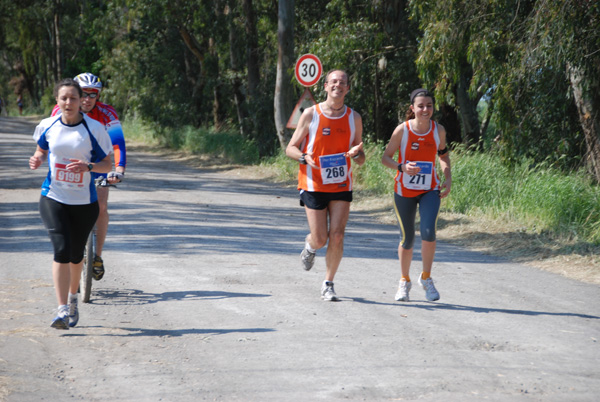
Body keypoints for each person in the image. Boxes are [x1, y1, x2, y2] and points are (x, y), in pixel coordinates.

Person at [29, 78, 113, 329]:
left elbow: (107, 164)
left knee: (77, 257)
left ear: (80, 102)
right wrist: (37, 159)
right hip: (53, 197)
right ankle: (61, 309)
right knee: (61, 251)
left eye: (73, 98)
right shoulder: (48, 125)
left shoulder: (95, 129)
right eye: (64, 98)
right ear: (57, 100)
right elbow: (41, 150)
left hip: (84, 202)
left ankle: (73, 298)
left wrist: (89, 167)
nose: (69, 102)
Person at [285, 69, 365, 301]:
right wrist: (303, 157)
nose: (338, 85)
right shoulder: (311, 114)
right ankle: (310, 247)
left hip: (341, 183)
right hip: (313, 183)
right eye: (334, 81)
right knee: (320, 238)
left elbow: (360, 157)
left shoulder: (354, 118)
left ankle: (328, 283)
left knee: (337, 235)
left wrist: (357, 154)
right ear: (326, 86)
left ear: (347, 88)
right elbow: (290, 147)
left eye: (343, 82)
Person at [51, 72, 127, 282]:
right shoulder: (60, 109)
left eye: (93, 94)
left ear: (98, 96)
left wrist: (119, 169)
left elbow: (118, 143)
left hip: (98, 166)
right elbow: (51, 140)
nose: (87, 99)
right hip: (70, 166)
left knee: (101, 206)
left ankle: (97, 257)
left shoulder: (107, 113)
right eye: (83, 93)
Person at [381, 88, 452, 302]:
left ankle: (426, 278)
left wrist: (447, 177)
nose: (425, 109)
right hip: (404, 191)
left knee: (429, 232)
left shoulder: (438, 130)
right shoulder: (402, 130)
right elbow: (385, 158)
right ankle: (404, 281)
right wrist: (401, 167)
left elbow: (444, 156)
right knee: (408, 238)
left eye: (429, 106)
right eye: (420, 106)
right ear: (412, 108)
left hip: (430, 189)